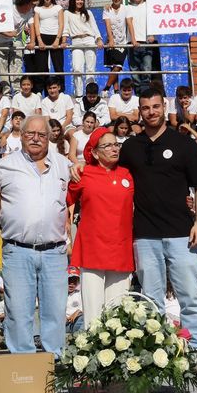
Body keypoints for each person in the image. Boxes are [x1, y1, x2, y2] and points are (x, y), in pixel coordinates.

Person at [98, 87, 197, 369]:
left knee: (189, 296)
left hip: (181, 233)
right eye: (146, 108)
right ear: (140, 111)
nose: (151, 112)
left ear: (165, 107)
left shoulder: (183, 144)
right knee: (151, 300)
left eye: (156, 107)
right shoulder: (132, 147)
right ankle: (159, 352)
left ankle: (196, 349)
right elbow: (105, 167)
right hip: (145, 235)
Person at [0, 115, 73, 354]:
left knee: (55, 312)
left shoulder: (63, 164)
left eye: (41, 135)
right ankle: (24, 366)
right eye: (30, 134)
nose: (36, 139)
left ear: (49, 138)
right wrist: (3, 212)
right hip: (18, 250)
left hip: (54, 251)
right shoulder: (6, 164)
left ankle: (55, 362)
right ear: (22, 135)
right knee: (18, 311)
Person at [65, 126, 134, 325]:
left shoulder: (127, 174)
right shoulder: (84, 173)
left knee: (117, 309)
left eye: (116, 144)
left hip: (120, 248)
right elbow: (65, 200)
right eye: (107, 146)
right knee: (93, 312)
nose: (114, 149)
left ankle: (115, 352)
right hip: (93, 248)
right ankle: (90, 352)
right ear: (95, 152)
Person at [0, 0, 34, 91]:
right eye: (30, 4)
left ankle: (18, 90)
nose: (32, 6)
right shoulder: (8, 10)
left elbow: (32, 26)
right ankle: (6, 92)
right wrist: (9, 34)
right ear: (25, 4)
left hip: (15, 40)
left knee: (17, 64)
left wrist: (32, 42)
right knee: (2, 67)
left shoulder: (29, 11)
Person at [64, 0, 103, 98]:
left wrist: (98, 38)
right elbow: (66, 28)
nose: (80, 1)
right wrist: (64, 40)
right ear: (73, 1)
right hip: (76, 41)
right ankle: (79, 95)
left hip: (89, 39)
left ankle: (90, 94)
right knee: (77, 68)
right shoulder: (67, 13)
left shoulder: (88, 13)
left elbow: (94, 27)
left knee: (90, 69)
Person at [29, 0, 65, 92]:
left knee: (58, 67)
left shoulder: (58, 8)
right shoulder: (37, 9)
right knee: (41, 68)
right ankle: (40, 92)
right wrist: (39, 40)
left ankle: (61, 90)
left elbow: (61, 24)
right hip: (42, 37)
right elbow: (36, 25)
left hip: (55, 37)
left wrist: (58, 39)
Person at [125, 0, 156, 91]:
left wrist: (152, 34)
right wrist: (107, 5)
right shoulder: (127, 7)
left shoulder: (149, 6)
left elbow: (154, 20)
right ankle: (138, 96)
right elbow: (114, 8)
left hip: (146, 42)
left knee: (147, 69)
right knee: (134, 72)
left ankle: (146, 93)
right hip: (131, 43)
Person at [101, 0, 128, 95]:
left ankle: (106, 88)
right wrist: (111, 39)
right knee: (113, 67)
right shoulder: (107, 9)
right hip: (110, 42)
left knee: (117, 66)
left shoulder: (126, 8)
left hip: (123, 42)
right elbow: (108, 25)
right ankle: (116, 90)